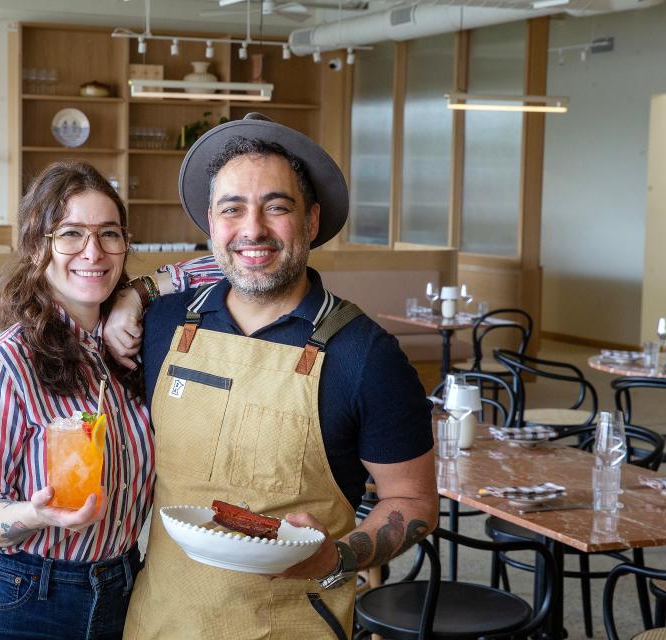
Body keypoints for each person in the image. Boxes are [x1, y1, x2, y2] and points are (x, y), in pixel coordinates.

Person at [105, 114, 439, 639]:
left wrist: (339, 555)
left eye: (276, 207)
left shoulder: (366, 356)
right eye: (231, 209)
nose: (252, 229)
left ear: (310, 222)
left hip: (292, 622)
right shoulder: (162, 325)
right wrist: (135, 291)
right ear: (211, 226)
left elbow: (413, 502)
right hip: (163, 617)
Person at [0, 161, 155, 639]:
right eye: (71, 234)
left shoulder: (129, 346)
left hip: (123, 586)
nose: (94, 251)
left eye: (110, 234)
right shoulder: (5, 364)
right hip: (21, 593)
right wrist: (34, 514)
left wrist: (139, 293)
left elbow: (226, 263)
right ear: (38, 247)